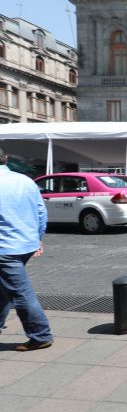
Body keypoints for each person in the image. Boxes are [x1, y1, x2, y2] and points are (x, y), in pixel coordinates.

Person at [0, 147, 53, 351]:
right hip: (25, 244)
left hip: (4, 248)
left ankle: (40, 335)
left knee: (19, 293)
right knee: (4, 289)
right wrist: (37, 238)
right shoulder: (25, 180)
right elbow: (41, 211)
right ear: (5, 159)